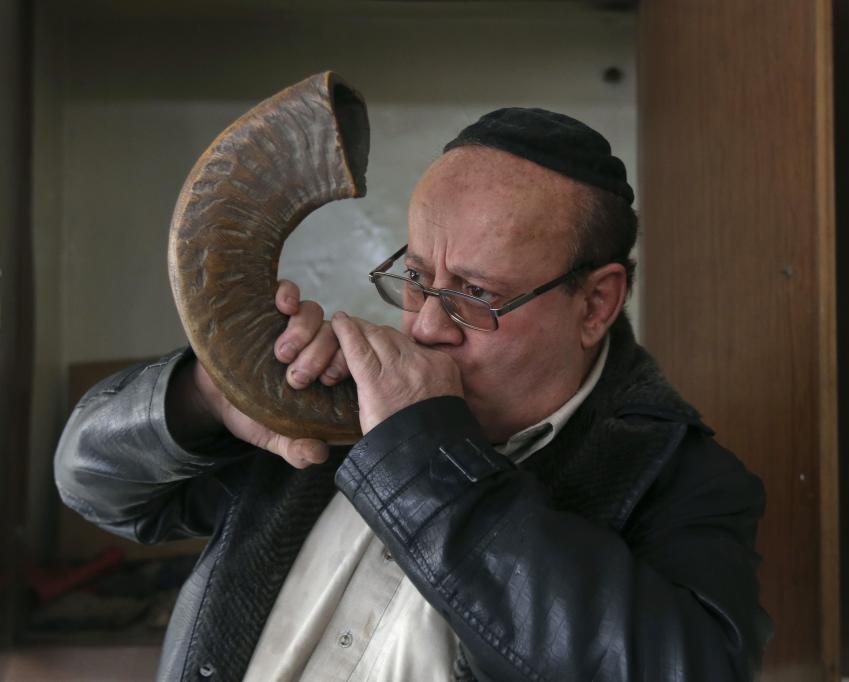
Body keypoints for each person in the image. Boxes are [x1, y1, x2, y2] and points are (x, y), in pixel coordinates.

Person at [55, 108, 771, 681]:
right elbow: (94, 488)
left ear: (595, 304)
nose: (426, 326)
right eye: (418, 276)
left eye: (475, 295)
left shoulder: (684, 482)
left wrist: (418, 452)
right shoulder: (331, 400)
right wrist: (209, 397)